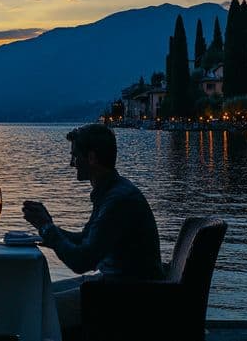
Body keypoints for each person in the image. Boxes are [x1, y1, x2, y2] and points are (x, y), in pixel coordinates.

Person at [22, 123, 163, 333]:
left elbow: (82, 261)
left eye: (75, 156)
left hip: (127, 298)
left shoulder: (118, 201)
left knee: (29, 309)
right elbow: (86, 239)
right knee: (36, 294)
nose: (71, 163)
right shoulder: (112, 191)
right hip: (116, 283)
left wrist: (47, 227)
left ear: (92, 158)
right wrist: (43, 231)